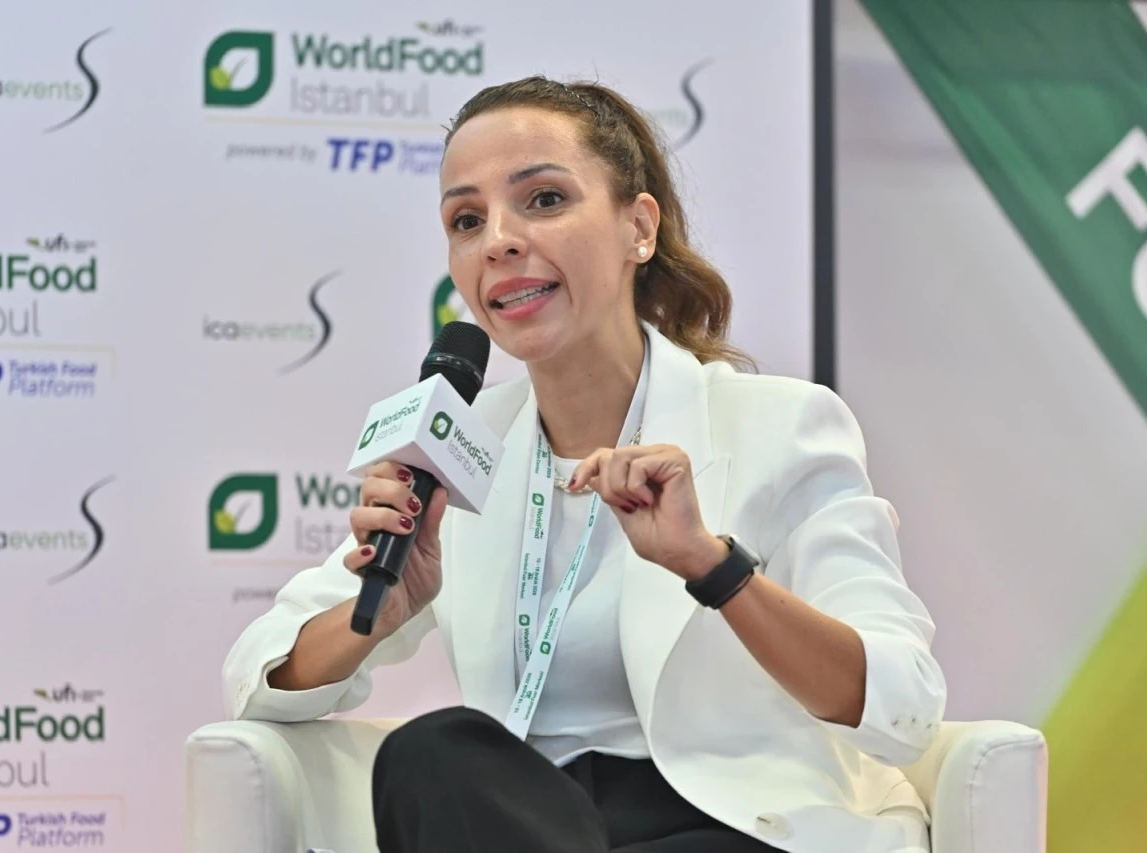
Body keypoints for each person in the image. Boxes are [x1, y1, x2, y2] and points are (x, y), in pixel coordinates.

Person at [222, 76, 946, 853]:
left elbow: (901, 700)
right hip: (525, 824)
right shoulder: (459, 445)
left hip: (732, 826)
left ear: (639, 227)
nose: (498, 240)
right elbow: (258, 675)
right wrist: (381, 609)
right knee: (431, 753)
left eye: (543, 200)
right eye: (467, 220)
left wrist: (714, 568)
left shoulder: (779, 425)